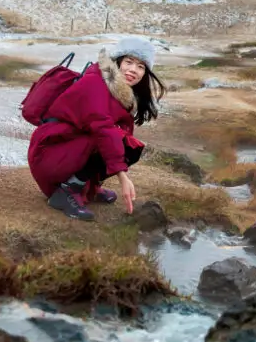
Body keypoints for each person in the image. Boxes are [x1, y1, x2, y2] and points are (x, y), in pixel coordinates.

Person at [27, 37, 166, 221]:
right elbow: (103, 129)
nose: (133, 70)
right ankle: (67, 190)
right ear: (117, 62)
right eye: (129, 62)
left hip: (67, 149)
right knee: (113, 139)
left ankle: (87, 186)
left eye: (141, 66)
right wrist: (122, 177)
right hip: (50, 152)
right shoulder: (96, 82)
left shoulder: (119, 90)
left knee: (129, 146)